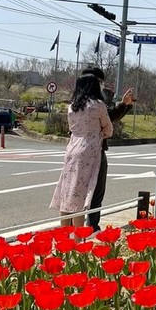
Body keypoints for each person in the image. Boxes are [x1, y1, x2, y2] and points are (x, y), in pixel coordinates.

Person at [50, 74, 112, 227]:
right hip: (89, 150)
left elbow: (72, 128)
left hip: (72, 147)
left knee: (67, 191)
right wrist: (98, 134)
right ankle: (78, 236)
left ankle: (64, 234)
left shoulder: (72, 107)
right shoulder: (98, 105)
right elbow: (108, 130)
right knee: (80, 194)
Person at [80, 66, 135, 232]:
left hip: (75, 151)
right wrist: (124, 105)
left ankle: (72, 229)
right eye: (101, 82)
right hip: (96, 150)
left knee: (75, 191)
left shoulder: (74, 105)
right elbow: (108, 125)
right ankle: (92, 226)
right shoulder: (98, 105)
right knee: (96, 191)